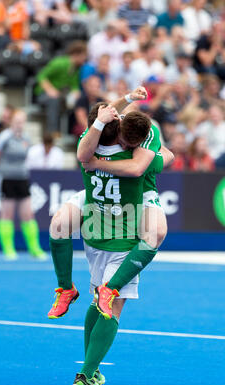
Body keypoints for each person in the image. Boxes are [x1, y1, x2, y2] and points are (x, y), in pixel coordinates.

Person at [47, 90, 173, 327]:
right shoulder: (98, 131)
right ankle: (66, 288)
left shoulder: (147, 133)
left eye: (130, 144)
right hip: (99, 193)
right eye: (123, 141)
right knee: (59, 224)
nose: (125, 145)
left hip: (139, 193)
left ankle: (111, 289)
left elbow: (153, 161)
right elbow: (83, 154)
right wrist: (127, 98)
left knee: (157, 232)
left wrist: (99, 163)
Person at [0, 109, 47, 260]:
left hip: (22, 178)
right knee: (7, 214)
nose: (20, 125)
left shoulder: (26, 138)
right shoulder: (4, 136)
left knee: (28, 214)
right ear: (11, 122)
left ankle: (34, 248)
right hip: (7, 179)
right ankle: (8, 249)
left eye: (22, 122)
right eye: (17, 122)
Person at [35, 40, 88, 134]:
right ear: (76, 54)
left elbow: (74, 86)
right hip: (43, 94)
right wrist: (50, 90)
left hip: (61, 95)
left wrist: (76, 93)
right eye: (83, 56)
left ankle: (72, 131)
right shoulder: (59, 63)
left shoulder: (76, 69)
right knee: (53, 100)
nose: (84, 60)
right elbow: (41, 76)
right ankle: (52, 131)